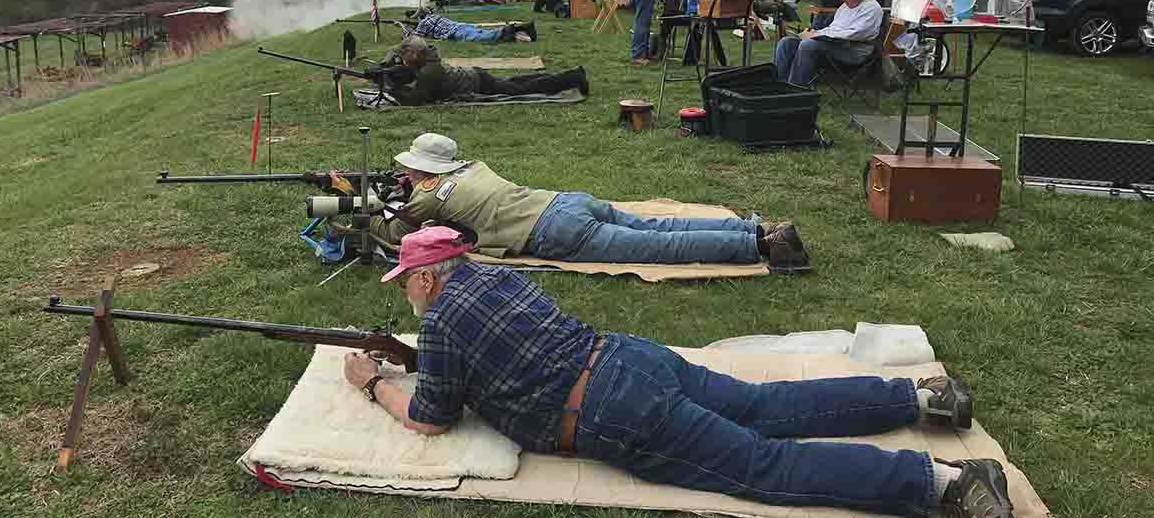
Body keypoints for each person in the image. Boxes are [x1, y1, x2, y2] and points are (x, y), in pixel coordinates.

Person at [341, 226, 1015, 518]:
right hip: (630, 357)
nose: (407, 291)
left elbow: (429, 419)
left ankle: (944, 486)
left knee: (764, 468)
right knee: (766, 405)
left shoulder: (442, 321)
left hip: (610, 411)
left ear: (428, 277)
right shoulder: (491, 280)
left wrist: (375, 383)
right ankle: (920, 399)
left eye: (408, 281)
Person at [368, 132, 809, 270]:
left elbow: (392, 233)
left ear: (423, 171)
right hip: (565, 202)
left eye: (411, 170)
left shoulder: (428, 195)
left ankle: (765, 247)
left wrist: (360, 208)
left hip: (553, 230)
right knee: (659, 229)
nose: (407, 175)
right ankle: (754, 228)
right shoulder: (472, 168)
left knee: (662, 250)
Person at [388, 37, 587, 106]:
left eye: (405, 55)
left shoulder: (429, 71)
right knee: (518, 82)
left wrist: (393, 88)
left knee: (523, 89)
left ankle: (573, 77)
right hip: (477, 76)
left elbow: (418, 100)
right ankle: (559, 76)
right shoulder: (428, 60)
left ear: (415, 54)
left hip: (479, 83)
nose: (403, 59)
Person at [774, 0, 882, 87]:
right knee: (786, 42)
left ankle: (796, 89)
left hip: (854, 51)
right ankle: (778, 86)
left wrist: (818, 36)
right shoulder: (846, 6)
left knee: (808, 45)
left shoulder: (872, 9)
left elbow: (853, 34)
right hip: (836, 45)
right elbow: (834, 29)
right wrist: (815, 33)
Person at [407, 9, 537, 44]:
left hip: (456, 32)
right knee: (483, 34)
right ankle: (522, 28)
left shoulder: (424, 23)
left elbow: (414, 37)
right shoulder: (435, 16)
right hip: (462, 26)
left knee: (483, 38)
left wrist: (404, 28)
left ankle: (509, 31)